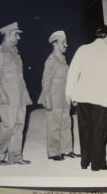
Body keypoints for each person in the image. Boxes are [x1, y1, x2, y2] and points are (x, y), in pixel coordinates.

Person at [65, 25, 107, 171]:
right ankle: (98, 164)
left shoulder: (83, 49)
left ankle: (85, 162)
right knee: (99, 131)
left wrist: (69, 92)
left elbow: (73, 71)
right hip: (101, 97)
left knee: (85, 129)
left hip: (83, 96)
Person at [0, 22, 32, 165]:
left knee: (19, 125)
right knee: (8, 124)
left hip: (19, 94)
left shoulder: (14, 52)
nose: (18, 37)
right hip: (7, 94)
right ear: (7, 34)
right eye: (16, 34)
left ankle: (15, 156)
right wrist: (1, 93)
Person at [38, 31, 80, 161]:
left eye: (65, 42)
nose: (66, 45)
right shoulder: (51, 60)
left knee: (66, 123)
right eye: (63, 43)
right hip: (55, 96)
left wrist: (72, 97)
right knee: (54, 124)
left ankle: (67, 150)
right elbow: (46, 81)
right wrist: (48, 100)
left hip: (64, 96)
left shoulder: (62, 59)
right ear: (55, 44)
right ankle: (53, 152)